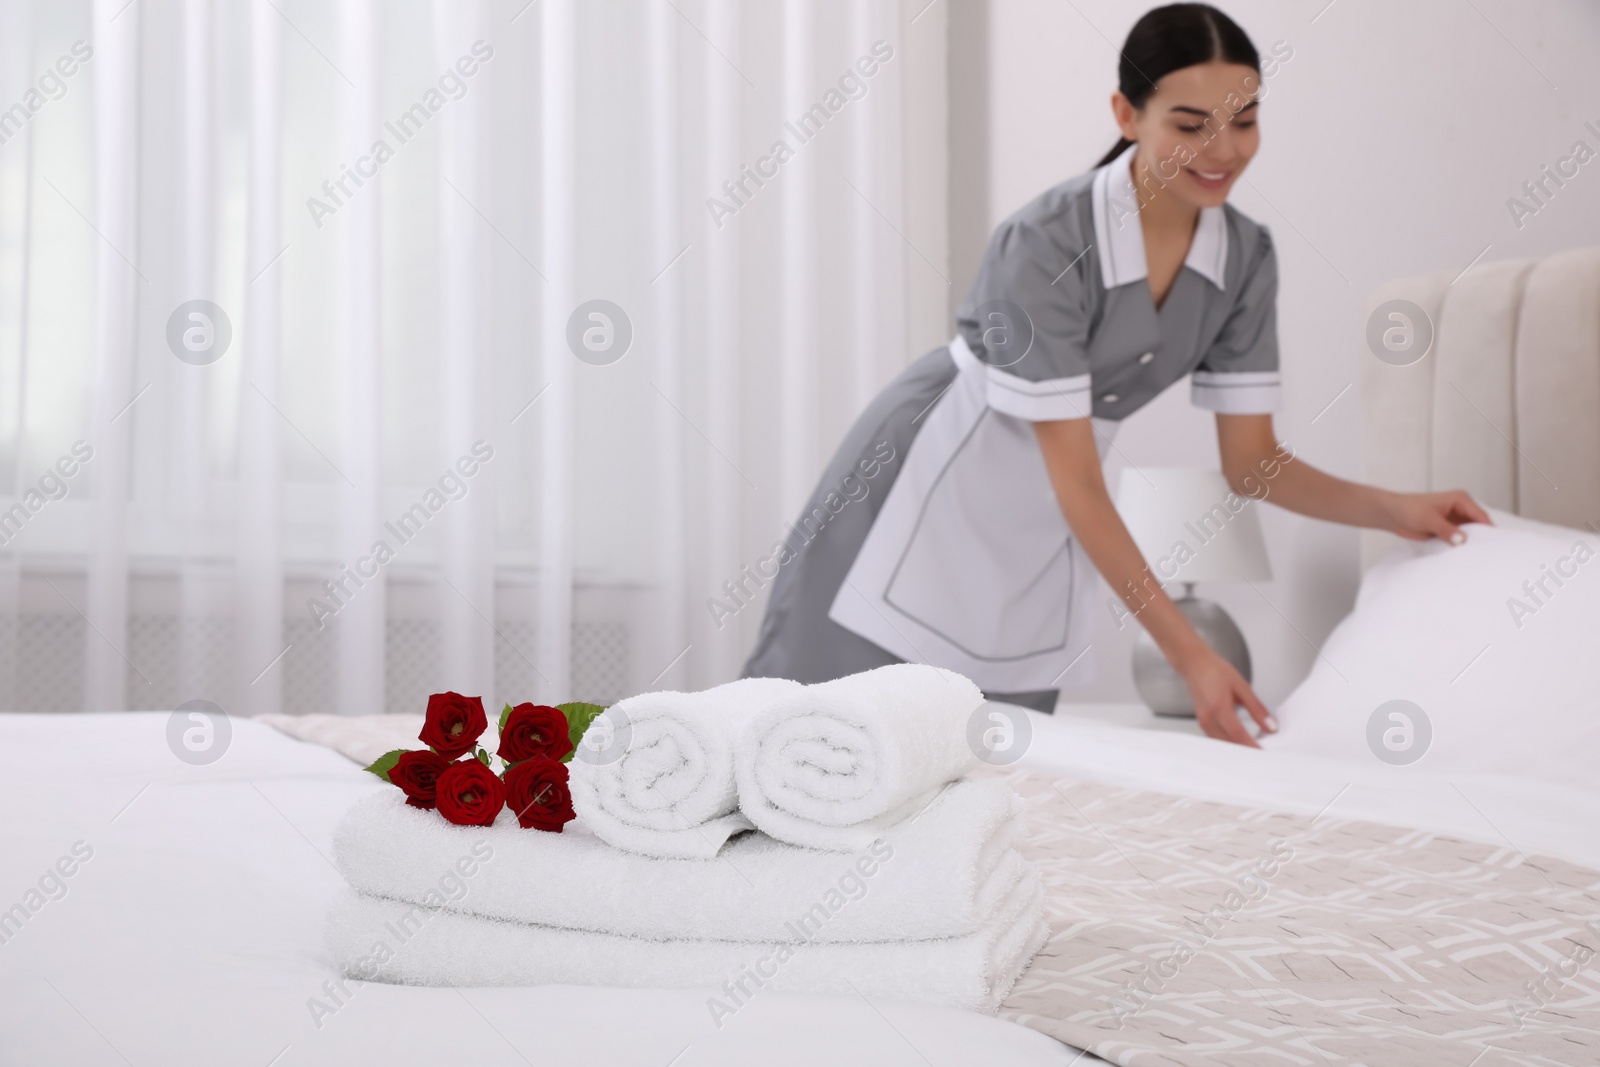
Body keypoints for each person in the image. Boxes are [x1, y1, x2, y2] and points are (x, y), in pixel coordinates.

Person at [742, 3, 1489, 746]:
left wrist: (1396, 509)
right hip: (923, 476)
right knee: (808, 736)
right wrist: (1192, 657)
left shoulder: (1245, 260)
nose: (1223, 149)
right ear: (1128, 115)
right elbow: (1078, 485)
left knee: (983, 767)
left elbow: (1253, 464)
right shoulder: (1045, 242)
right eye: (1190, 124)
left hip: (1047, 514)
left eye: (1245, 119)